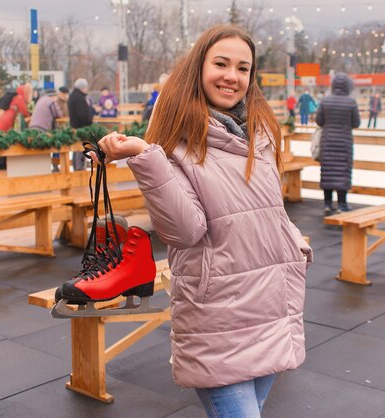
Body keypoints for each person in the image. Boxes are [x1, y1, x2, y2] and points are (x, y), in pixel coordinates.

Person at [90, 24, 312, 417]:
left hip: (270, 304)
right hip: (218, 314)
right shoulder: (175, 138)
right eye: (221, 63)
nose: (232, 76)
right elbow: (184, 230)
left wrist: (292, 239)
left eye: (243, 68)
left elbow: (268, 208)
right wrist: (145, 157)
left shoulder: (259, 134)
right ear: (198, 67)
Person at [316, 73, 361, 215]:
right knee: (343, 172)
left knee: (328, 172)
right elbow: (356, 123)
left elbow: (319, 121)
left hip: (328, 141)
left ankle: (327, 204)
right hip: (344, 142)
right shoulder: (351, 102)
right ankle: (342, 204)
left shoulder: (325, 101)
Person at [0, 83, 32, 170]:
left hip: (4, 119)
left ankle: (1, 163)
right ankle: (2, 163)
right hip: (8, 121)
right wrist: (29, 115)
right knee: (6, 142)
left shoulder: (15, 97)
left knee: (3, 141)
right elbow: (24, 111)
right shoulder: (19, 98)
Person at [68, 78, 94, 171]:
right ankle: (79, 167)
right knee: (80, 147)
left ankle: (76, 166)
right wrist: (89, 121)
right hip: (81, 127)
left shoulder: (72, 96)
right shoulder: (79, 98)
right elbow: (82, 114)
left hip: (75, 125)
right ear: (82, 88)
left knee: (76, 147)